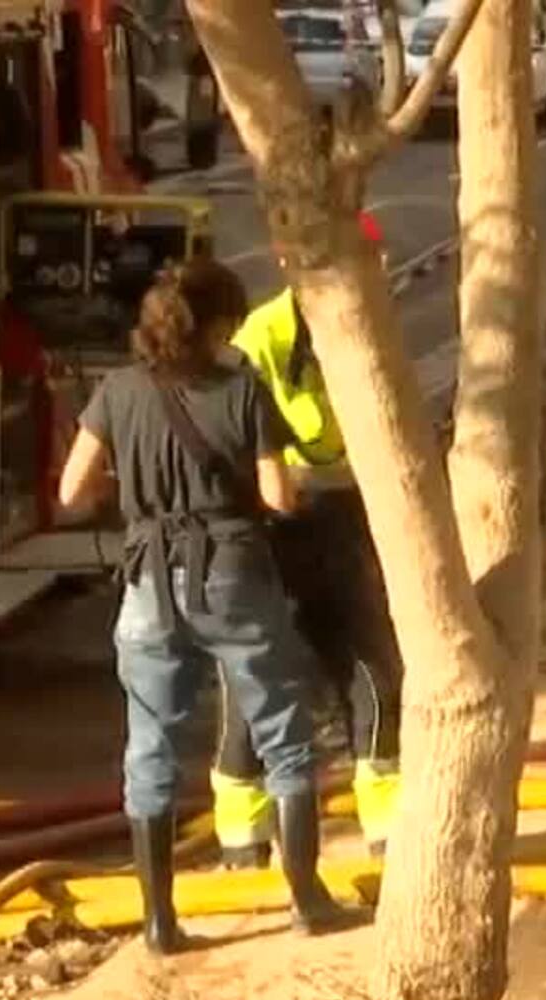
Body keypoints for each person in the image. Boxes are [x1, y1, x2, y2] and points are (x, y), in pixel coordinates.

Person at [57, 257, 352, 953]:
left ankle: (160, 922)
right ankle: (308, 898)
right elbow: (278, 496)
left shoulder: (117, 391)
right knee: (281, 728)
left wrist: (133, 492)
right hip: (231, 573)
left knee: (150, 745)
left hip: (147, 580)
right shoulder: (242, 389)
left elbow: (72, 490)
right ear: (216, 325)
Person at [209, 212, 406, 867]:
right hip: (270, 530)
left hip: (343, 523)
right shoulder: (261, 338)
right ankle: (244, 838)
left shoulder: (371, 332)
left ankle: (388, 827)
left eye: (374, 262)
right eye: (360, 263)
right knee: (258, 679)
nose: (374, 276)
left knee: (372, 672)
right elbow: (235, 441)